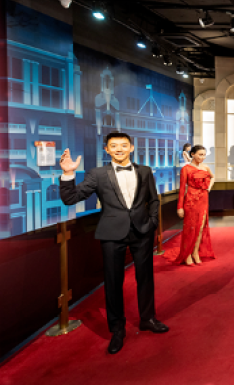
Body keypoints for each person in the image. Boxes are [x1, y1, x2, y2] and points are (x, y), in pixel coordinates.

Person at [59, 132, 169, 355]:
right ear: (107, 150)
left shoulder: (145, 171)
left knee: (145, 278)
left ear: (131, 148)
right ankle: (117, 329)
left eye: (124, 145)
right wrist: (68, 174)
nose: (119, 149)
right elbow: (70, 198)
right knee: (113, 282)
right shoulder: (98, 174)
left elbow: (153, 199)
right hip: (111, 233)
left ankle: (148, 318)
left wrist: (152, 223)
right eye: (114, 145)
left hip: (142, 231)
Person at [166, 145, 216, 266]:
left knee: (200, 228)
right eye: (200, 154)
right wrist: (180, 207)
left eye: (204, 155)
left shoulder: (206, 167)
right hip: (191, 200)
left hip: (203, 199)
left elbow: (213, 177)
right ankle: (187, 254)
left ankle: (195, 252)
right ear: (192, 154)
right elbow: (182, 189)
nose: (203, 157)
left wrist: (208, 188)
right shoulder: (186, 169)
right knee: (190, 228)